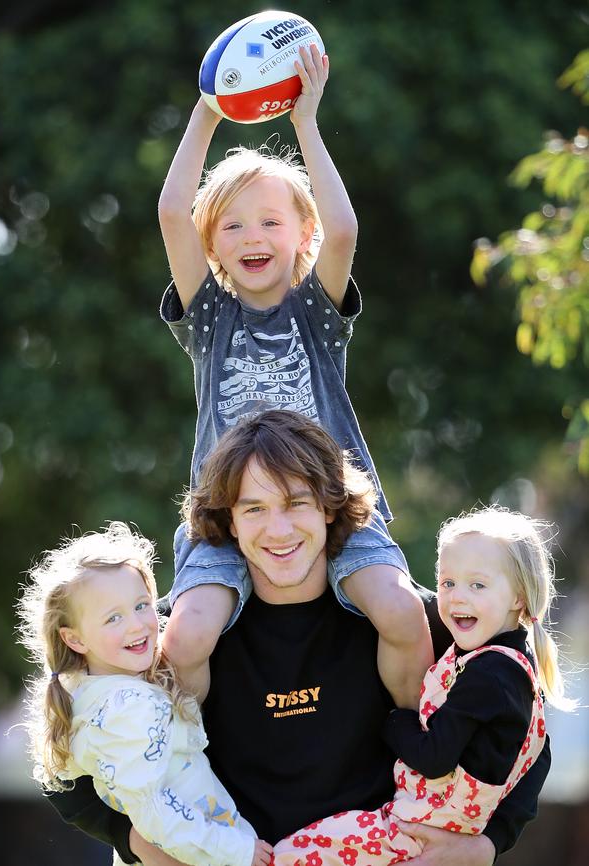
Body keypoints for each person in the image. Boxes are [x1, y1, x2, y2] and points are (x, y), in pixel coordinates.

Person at [46, 411, 551, 866]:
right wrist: (136, 842)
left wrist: (483, 846)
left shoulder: (418, 623)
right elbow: (61, 755)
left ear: (330, 508)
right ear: (230, 523)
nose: (278, 529)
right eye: (254, 509)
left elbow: (525, 726)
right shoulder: (165, 636)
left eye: (296, 503)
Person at [158, 42, 432, 709]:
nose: (253, 236)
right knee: (186, 638)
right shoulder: (209, 320)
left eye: (271, 221)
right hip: (229, 515)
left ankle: (416, 749)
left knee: (401, 613)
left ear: (299, 235)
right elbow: (171, 211)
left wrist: (306, 120)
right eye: (232, 225)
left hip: (334, 506)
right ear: (211, 243)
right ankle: (190, 764)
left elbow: (344, 230)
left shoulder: (315, 312)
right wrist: (207, 111)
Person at [274, 504, 575, 865]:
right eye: (448, 583)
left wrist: (390, 720)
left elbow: (434, 758)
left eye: (477, 584)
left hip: (419, 829)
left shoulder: (488, 675)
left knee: (301, 849)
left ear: (518, 597)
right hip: (443, 826)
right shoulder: (515, 663)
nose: (458, 596)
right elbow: (537, 756)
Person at [17, 521, 273, 866]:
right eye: (113, 618)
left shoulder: (88, 689)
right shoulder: (128, 708)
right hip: (201, 853)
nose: (137, 625)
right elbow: (153, 813)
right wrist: (237, 850)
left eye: (141, 605)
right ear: (75, 639)